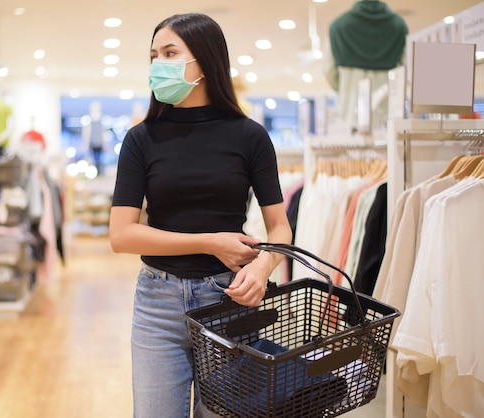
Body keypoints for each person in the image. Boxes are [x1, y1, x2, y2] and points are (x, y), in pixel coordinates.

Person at [109, 13, 292, 418]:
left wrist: (262, 270)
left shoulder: (250, 136)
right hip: (157, 303)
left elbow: (280, 227)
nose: (159, 64)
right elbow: (121, 235)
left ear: (205, 61)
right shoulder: (141, 138)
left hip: (229, 300)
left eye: (170, 53)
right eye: (154, 55)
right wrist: (210, 241)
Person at [323, 0, 408, 133]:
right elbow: (404, 69)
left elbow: (328, 70)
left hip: (349, 112)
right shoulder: (399, 25)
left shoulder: (338, 25)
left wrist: (342, 88)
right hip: (386, 115)